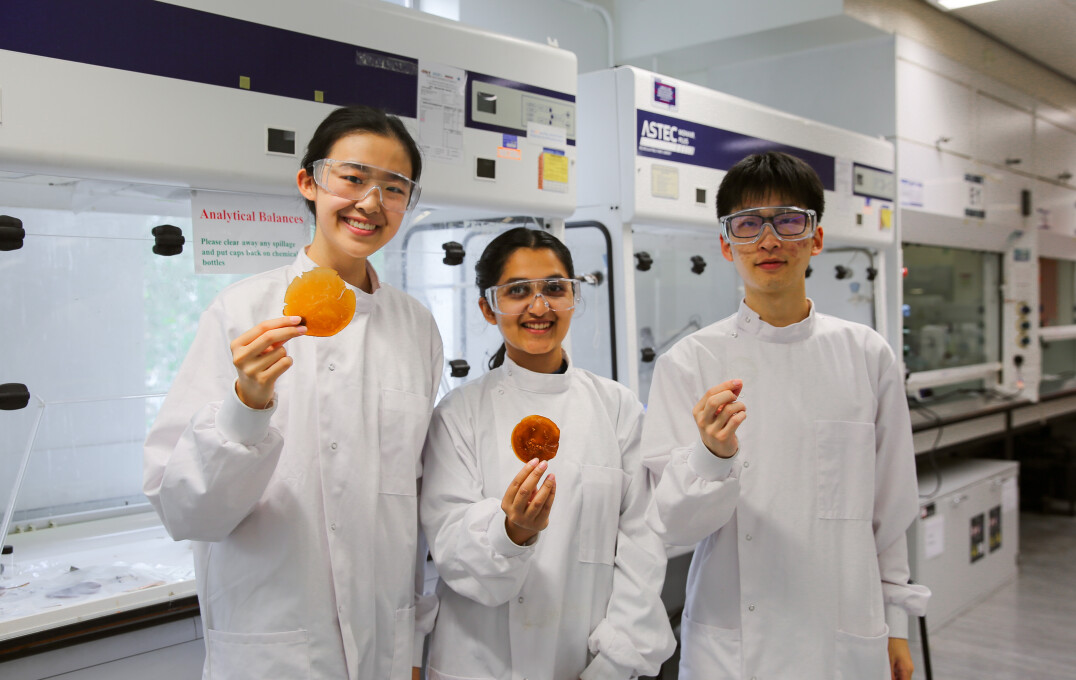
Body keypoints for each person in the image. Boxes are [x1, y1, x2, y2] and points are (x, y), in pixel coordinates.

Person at [143, 106, 443, 680]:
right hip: (275, 647)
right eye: (353, 178)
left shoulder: (416, 326)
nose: (371, 203)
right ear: (309, 181)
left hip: (385, 642)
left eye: (394, 187)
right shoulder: (241, 313)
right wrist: (246, 405)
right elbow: (183, 509)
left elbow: (408, 505)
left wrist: (407, 645)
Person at [642, 151, 930, 680]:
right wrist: (711, 457)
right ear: (727, 244)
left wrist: (896, 625)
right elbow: (670, 530)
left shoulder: (867, 355)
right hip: (736, 643)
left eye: (789, 220)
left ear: (816, 238)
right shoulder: (688, 363)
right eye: (748, 224)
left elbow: (890, 509)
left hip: (843, 628)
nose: (770, 240)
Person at [420, 227, 675, 680]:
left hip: (585, 657)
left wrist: (616, 660)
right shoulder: (458, 414)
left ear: (573, 298)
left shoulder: (616, 407)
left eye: (555, 289)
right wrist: (510, 532)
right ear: (487, 306)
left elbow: (643, 541)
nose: (539, 307)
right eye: (517, 291)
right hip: (479, 660)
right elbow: (449, 542)